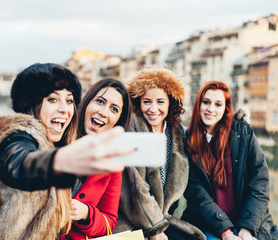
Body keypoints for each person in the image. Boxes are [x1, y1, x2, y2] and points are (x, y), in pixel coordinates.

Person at [0, 63, 134, 240]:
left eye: (69, 100)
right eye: (52, 99)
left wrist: (86, 213)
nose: (63, 108)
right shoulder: (17, 135)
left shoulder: (68, 138)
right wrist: (59, 161)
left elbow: (109, 219)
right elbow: (19, 160)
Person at [114, 68, 205, 240]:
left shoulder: (178, 134)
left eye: (160, 102)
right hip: (132, 224)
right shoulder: (130, 130)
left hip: (163, 221)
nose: (153, 109)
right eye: (147, 101)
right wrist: (155, 229)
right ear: (137, 102)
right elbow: (136, 187)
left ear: (171, 103)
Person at [182, 80, 277, 240]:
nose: (211, 109)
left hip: (251, 224)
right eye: (206, 102)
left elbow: (260, 185)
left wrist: (247, 229)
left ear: (225, 108)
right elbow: (197, 195)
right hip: (209, 225)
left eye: (218, 104)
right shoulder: (187, 142)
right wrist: (226, 232)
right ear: (198, 104)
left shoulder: (244, 134)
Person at [61, 78, 132, 240]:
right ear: (86, 102)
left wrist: (86, 213)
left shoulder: (113, 163)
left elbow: (109, 221)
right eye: (100, 101)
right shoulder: (57, 137)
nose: (104, 112)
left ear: (118, 121)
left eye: (114, 109)